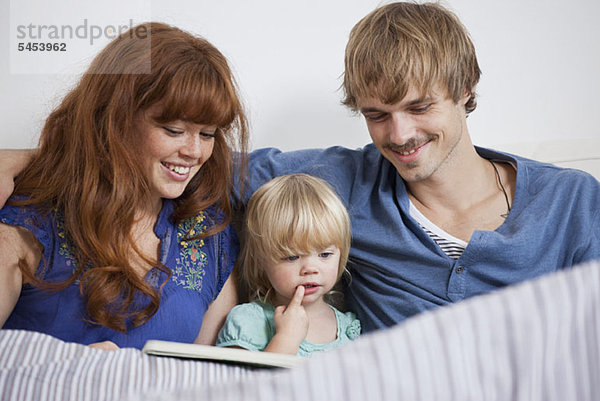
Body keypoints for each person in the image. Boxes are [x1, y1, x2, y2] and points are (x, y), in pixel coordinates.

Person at [2, 3, 600, 334]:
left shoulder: (573, 204)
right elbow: (175, 157)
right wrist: (29, 159)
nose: (400, 135)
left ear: (466, 89)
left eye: (420, 107)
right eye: (376, 114)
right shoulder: (337, 184)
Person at [0, 22, 248, 350]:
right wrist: (66, 370)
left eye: (208, 134)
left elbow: (209, 380)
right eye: (174, 130)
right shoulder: (26, 219)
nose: (194, 151)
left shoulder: (210, 234)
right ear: (114, 119)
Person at [216, 174, 360, 356]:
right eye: (291, 257)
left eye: (324, 254)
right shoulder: (249, 321)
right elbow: (243, 384)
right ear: (260, 260)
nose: (310, 269)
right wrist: (287, 338)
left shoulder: (349, 328)